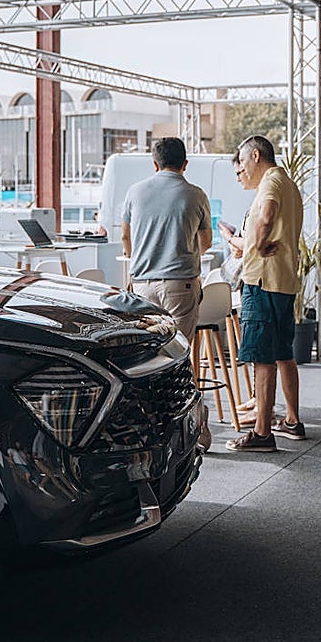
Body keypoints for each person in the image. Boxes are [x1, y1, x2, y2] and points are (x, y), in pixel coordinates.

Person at [121, 138, 213, 449]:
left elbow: (125, 237)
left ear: (155, 163)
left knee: (146, 357)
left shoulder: (135, 192)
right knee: (180, 356)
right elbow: (206, 243)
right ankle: (194, 425)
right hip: (180, 284)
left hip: (143, 285)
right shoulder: (196, 194)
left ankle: (149, 429)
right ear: (185, 164)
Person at [221, 135, 304, 453]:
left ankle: (262, 433)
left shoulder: (270, 182)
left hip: (262, 281)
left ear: (255, 155)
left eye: (241, 162)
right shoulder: (287, 181)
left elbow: (267, 216)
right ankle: (292, 421)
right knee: (283, 354)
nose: (241, 168)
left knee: (262, 359)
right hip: (281, 281)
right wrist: (252, 241)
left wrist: (250, 243)